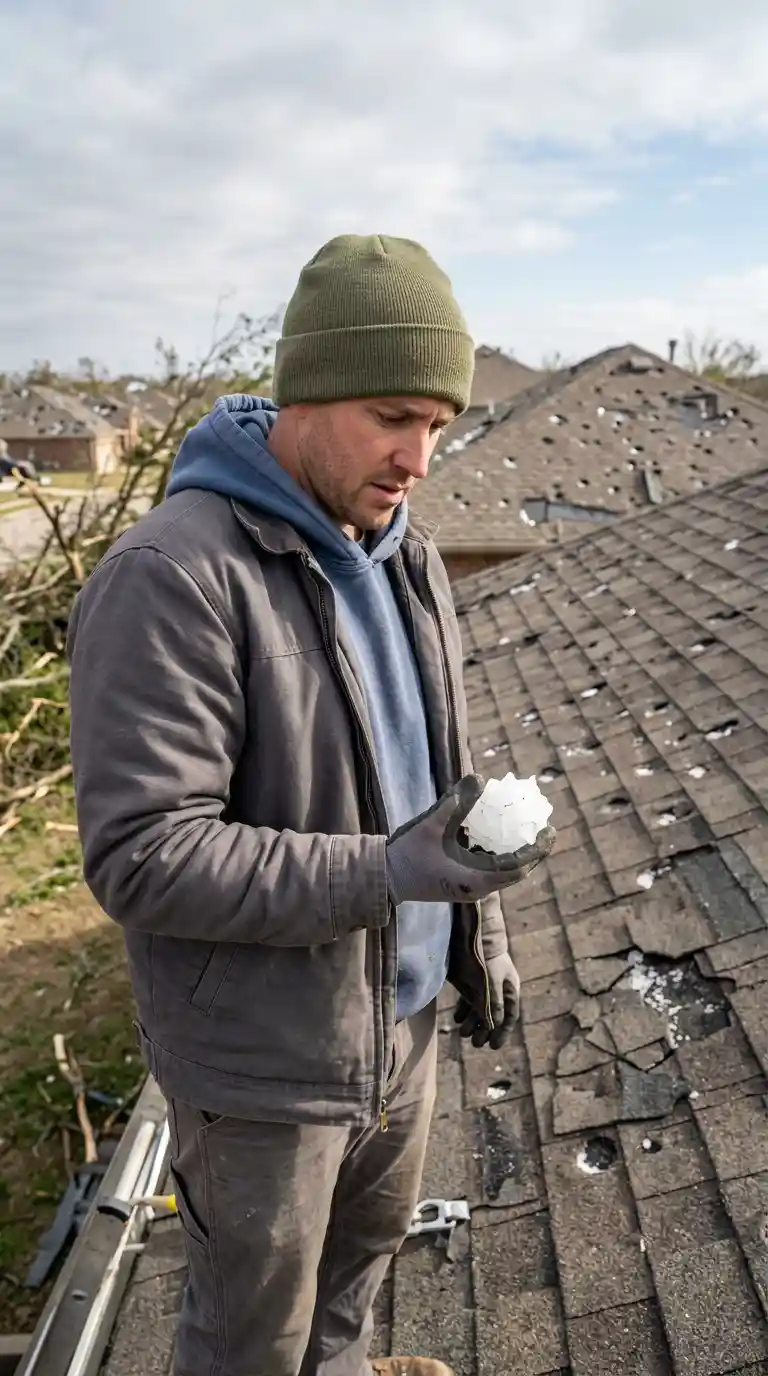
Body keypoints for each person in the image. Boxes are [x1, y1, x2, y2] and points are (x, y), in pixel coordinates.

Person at [67, 235, 555, 1376]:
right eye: (395, 415)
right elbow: (143, 855)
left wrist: (479, 938)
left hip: (403, 1032)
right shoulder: (175, 574)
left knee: (349, 1297)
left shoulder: (404, 556)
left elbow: (440, 771)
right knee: (253, 1337)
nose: (420, 458)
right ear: (306, 392)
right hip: (267, 1067)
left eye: (440, 423)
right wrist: (389, 870)